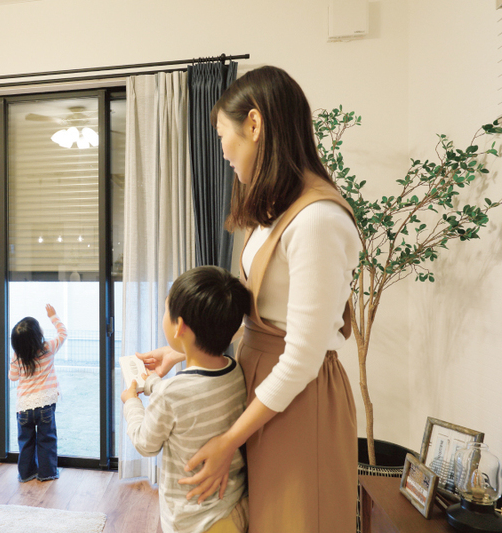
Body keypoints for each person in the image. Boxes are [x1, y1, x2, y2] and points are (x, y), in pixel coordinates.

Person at [139, 66, 361, 532]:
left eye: (224, 136)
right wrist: (180, 352)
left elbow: (301, 357)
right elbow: (264, 317)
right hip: (263, 394)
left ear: (255, 125)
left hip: (295, 400)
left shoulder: (317, 220)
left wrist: (227, 441)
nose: (222, 152)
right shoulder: (275, 211)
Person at [122, 265, 251, 533]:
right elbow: (189, 395)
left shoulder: (171, 394)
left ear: (179, 326)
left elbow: (145, 443)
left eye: (166, 310)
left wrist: (132, 403)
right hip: (234, 508)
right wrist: (152, 384)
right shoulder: (235, 371)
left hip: (194, 522)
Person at [9, 303, 67, 482]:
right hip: (45, 405)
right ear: (37, 335)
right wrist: (53, 316)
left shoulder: (17, 356)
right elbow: (63, 333)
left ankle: (26, 474)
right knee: (46, 439)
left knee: (26, 442)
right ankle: (47, 473)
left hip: (24, 406)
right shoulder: (48, 348)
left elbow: (13, 377)